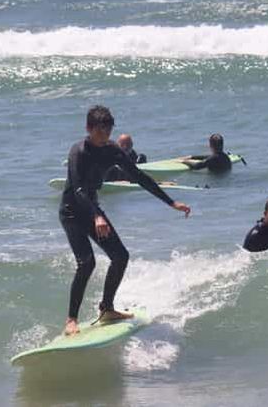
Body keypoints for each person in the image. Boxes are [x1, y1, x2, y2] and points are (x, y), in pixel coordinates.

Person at [60, 105, 191, 335]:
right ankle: (71, 319)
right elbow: (79, 189)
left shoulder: (112, 150)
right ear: (88, 128)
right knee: (87, 263)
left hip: (93, 210)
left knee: (120, 256)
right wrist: (97, 215)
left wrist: (171, 202)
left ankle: (107, 308)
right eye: (100, 131)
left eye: (108, 131)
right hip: (72, 212)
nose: (105, 137)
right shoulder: (78, 152)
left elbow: (140, 177)